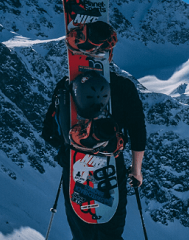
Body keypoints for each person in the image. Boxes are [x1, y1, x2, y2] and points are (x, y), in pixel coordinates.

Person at [41, 21, 146, 240]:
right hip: (111, 167)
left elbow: (49, 131)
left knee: (83, 235)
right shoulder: (124, 87)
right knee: (110, 233)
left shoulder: (64, 86)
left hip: (76, 166)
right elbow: (138, 131)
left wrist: (66, 150)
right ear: (109, 56)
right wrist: (136, 170)